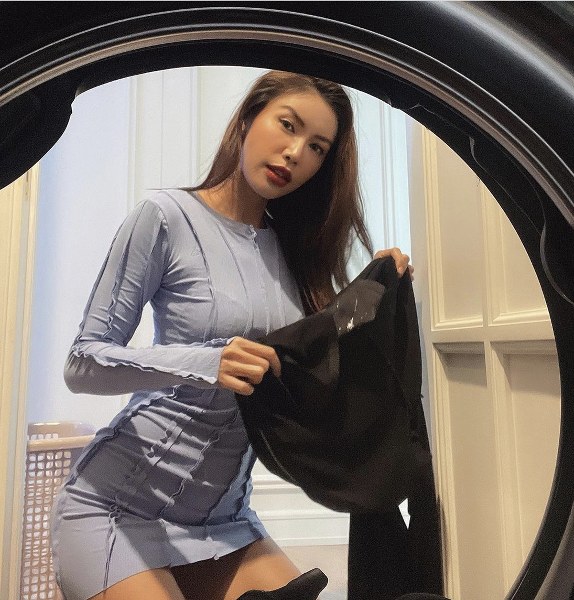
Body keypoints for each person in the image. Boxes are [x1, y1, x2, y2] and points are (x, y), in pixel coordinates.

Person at [50, 70, 412, 600]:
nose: (295, 153)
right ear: (247, 119)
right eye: (287, 125)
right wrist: (207, 362)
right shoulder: (165, 217)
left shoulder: (295, 251)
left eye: (317, 147)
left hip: (226, 521)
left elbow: (318, 362)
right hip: (116, 509)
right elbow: (82, 364)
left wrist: (377, 288)